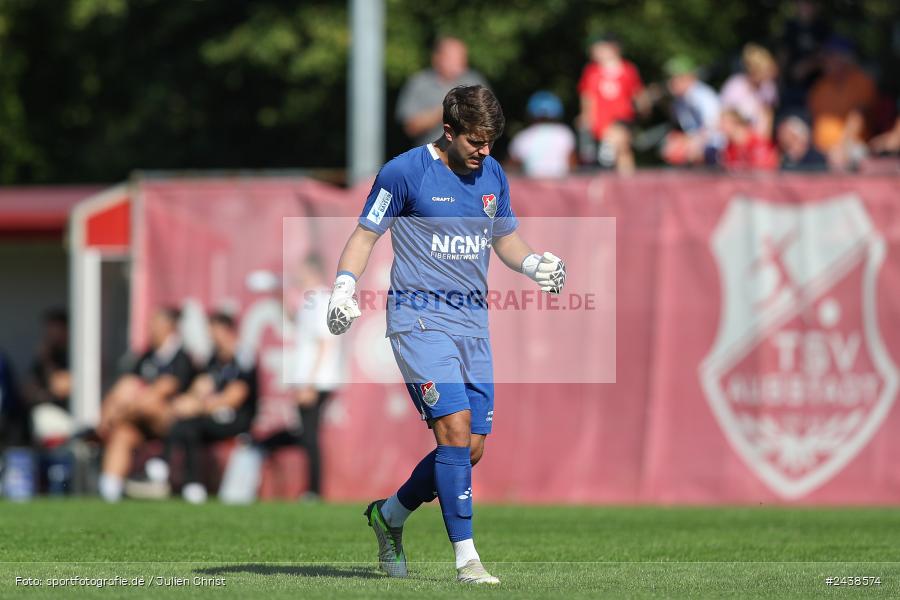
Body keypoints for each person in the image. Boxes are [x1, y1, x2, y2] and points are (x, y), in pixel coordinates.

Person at [327, 85, 566, 584]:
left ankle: (390, 515)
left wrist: (533, 264)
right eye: (476, 141)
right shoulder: (404, 172)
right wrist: (344, 287)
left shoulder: (492, 173)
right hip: (418, 320)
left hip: (472, 323)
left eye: (491, 141)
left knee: (470, 447)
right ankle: (467, 561)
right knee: (454, 429)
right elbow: (365, 234)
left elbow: (504, 238)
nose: (485, 151)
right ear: (449, 131)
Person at [97, 307, 195, 502]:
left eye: (155, 324)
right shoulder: (146, 356)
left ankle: (160, 470)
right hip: (138, 420)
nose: (151, 329)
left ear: (169, 327)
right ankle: (110, 489)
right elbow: (126, 384)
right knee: (122, 434)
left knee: (149, 404)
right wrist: (110, 408)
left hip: (169, 422)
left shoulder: (181, 357)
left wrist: (123, 410)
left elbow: (167, 388)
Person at [165, 312, 257, 504]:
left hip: (237, 420)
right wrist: (186, 401)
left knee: (192, 426)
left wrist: (198, 406)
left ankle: (182, 477)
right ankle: (179, 478)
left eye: (214, 330)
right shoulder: (214, 359)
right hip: (212, 416)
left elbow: (235, 396)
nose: (211, 335)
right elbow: (202, 384)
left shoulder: (243, 356)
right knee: (182, 423)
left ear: (227, 330)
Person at [291, 253, 344, 500]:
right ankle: (312, 489)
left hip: (317, 381)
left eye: (302, 270)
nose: (298, 275)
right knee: (306, 434)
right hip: (312, 379)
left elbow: (325, 342)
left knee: (310, 435)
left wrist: (310, 384)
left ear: (313, 271)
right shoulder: (310, 300)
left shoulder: (321, 300)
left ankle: (314, 490)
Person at [396, 37, 489, 146]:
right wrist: (448, 109)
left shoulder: (474, 81)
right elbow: (410, 128)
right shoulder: (419, 83)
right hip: (431, 153)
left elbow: (489, 120)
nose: (462, 63)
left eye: (463, 57)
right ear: (437, 58)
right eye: (454, 58)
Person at [576, 33, 644, 173]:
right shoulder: (592, 72)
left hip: (622, 119)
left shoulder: (628, 70)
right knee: (620, 151)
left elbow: (637, 95)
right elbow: (587, 96)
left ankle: (627, 181)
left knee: (621, 145)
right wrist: (586, 116)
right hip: (600, 122)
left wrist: (643, 107)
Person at [807, 36, 876, 170]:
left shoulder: (862, 82)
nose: (826, 61)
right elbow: (812, 119)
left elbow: (857, 117)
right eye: (825, 57)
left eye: (831, 56)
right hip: (820, 151)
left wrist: (842, 147)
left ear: (846, 59)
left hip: (851, 147)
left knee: (852, 157)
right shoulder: (819, 87)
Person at [23, 309, 73, 447]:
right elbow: (27, 391)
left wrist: (47, 360)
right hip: (42, 417)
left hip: (71, 417)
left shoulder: (77, 353)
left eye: (55, 330)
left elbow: (60, 387)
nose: (51, 335)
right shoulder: (46, 357)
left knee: (43, 415)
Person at [661, 55, 722, 166]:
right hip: (698, 142)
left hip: (714, 146)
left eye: (675, 78)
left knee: (678, 150)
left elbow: (713, 127)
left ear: (689, 78)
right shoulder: (679, 100)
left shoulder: (702, 96)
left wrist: (689, 142)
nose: (670, 83)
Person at [508, 91, 576, 178]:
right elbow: (572, 165)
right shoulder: (565, 133)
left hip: (530, 184)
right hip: (561, 184)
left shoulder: (523, 136)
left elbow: (512, 168)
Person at [719, 44, 779, 139]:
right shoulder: (735, 85)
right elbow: (725, 118)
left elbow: (768, 117)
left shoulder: (768, 88)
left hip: (755, 139)